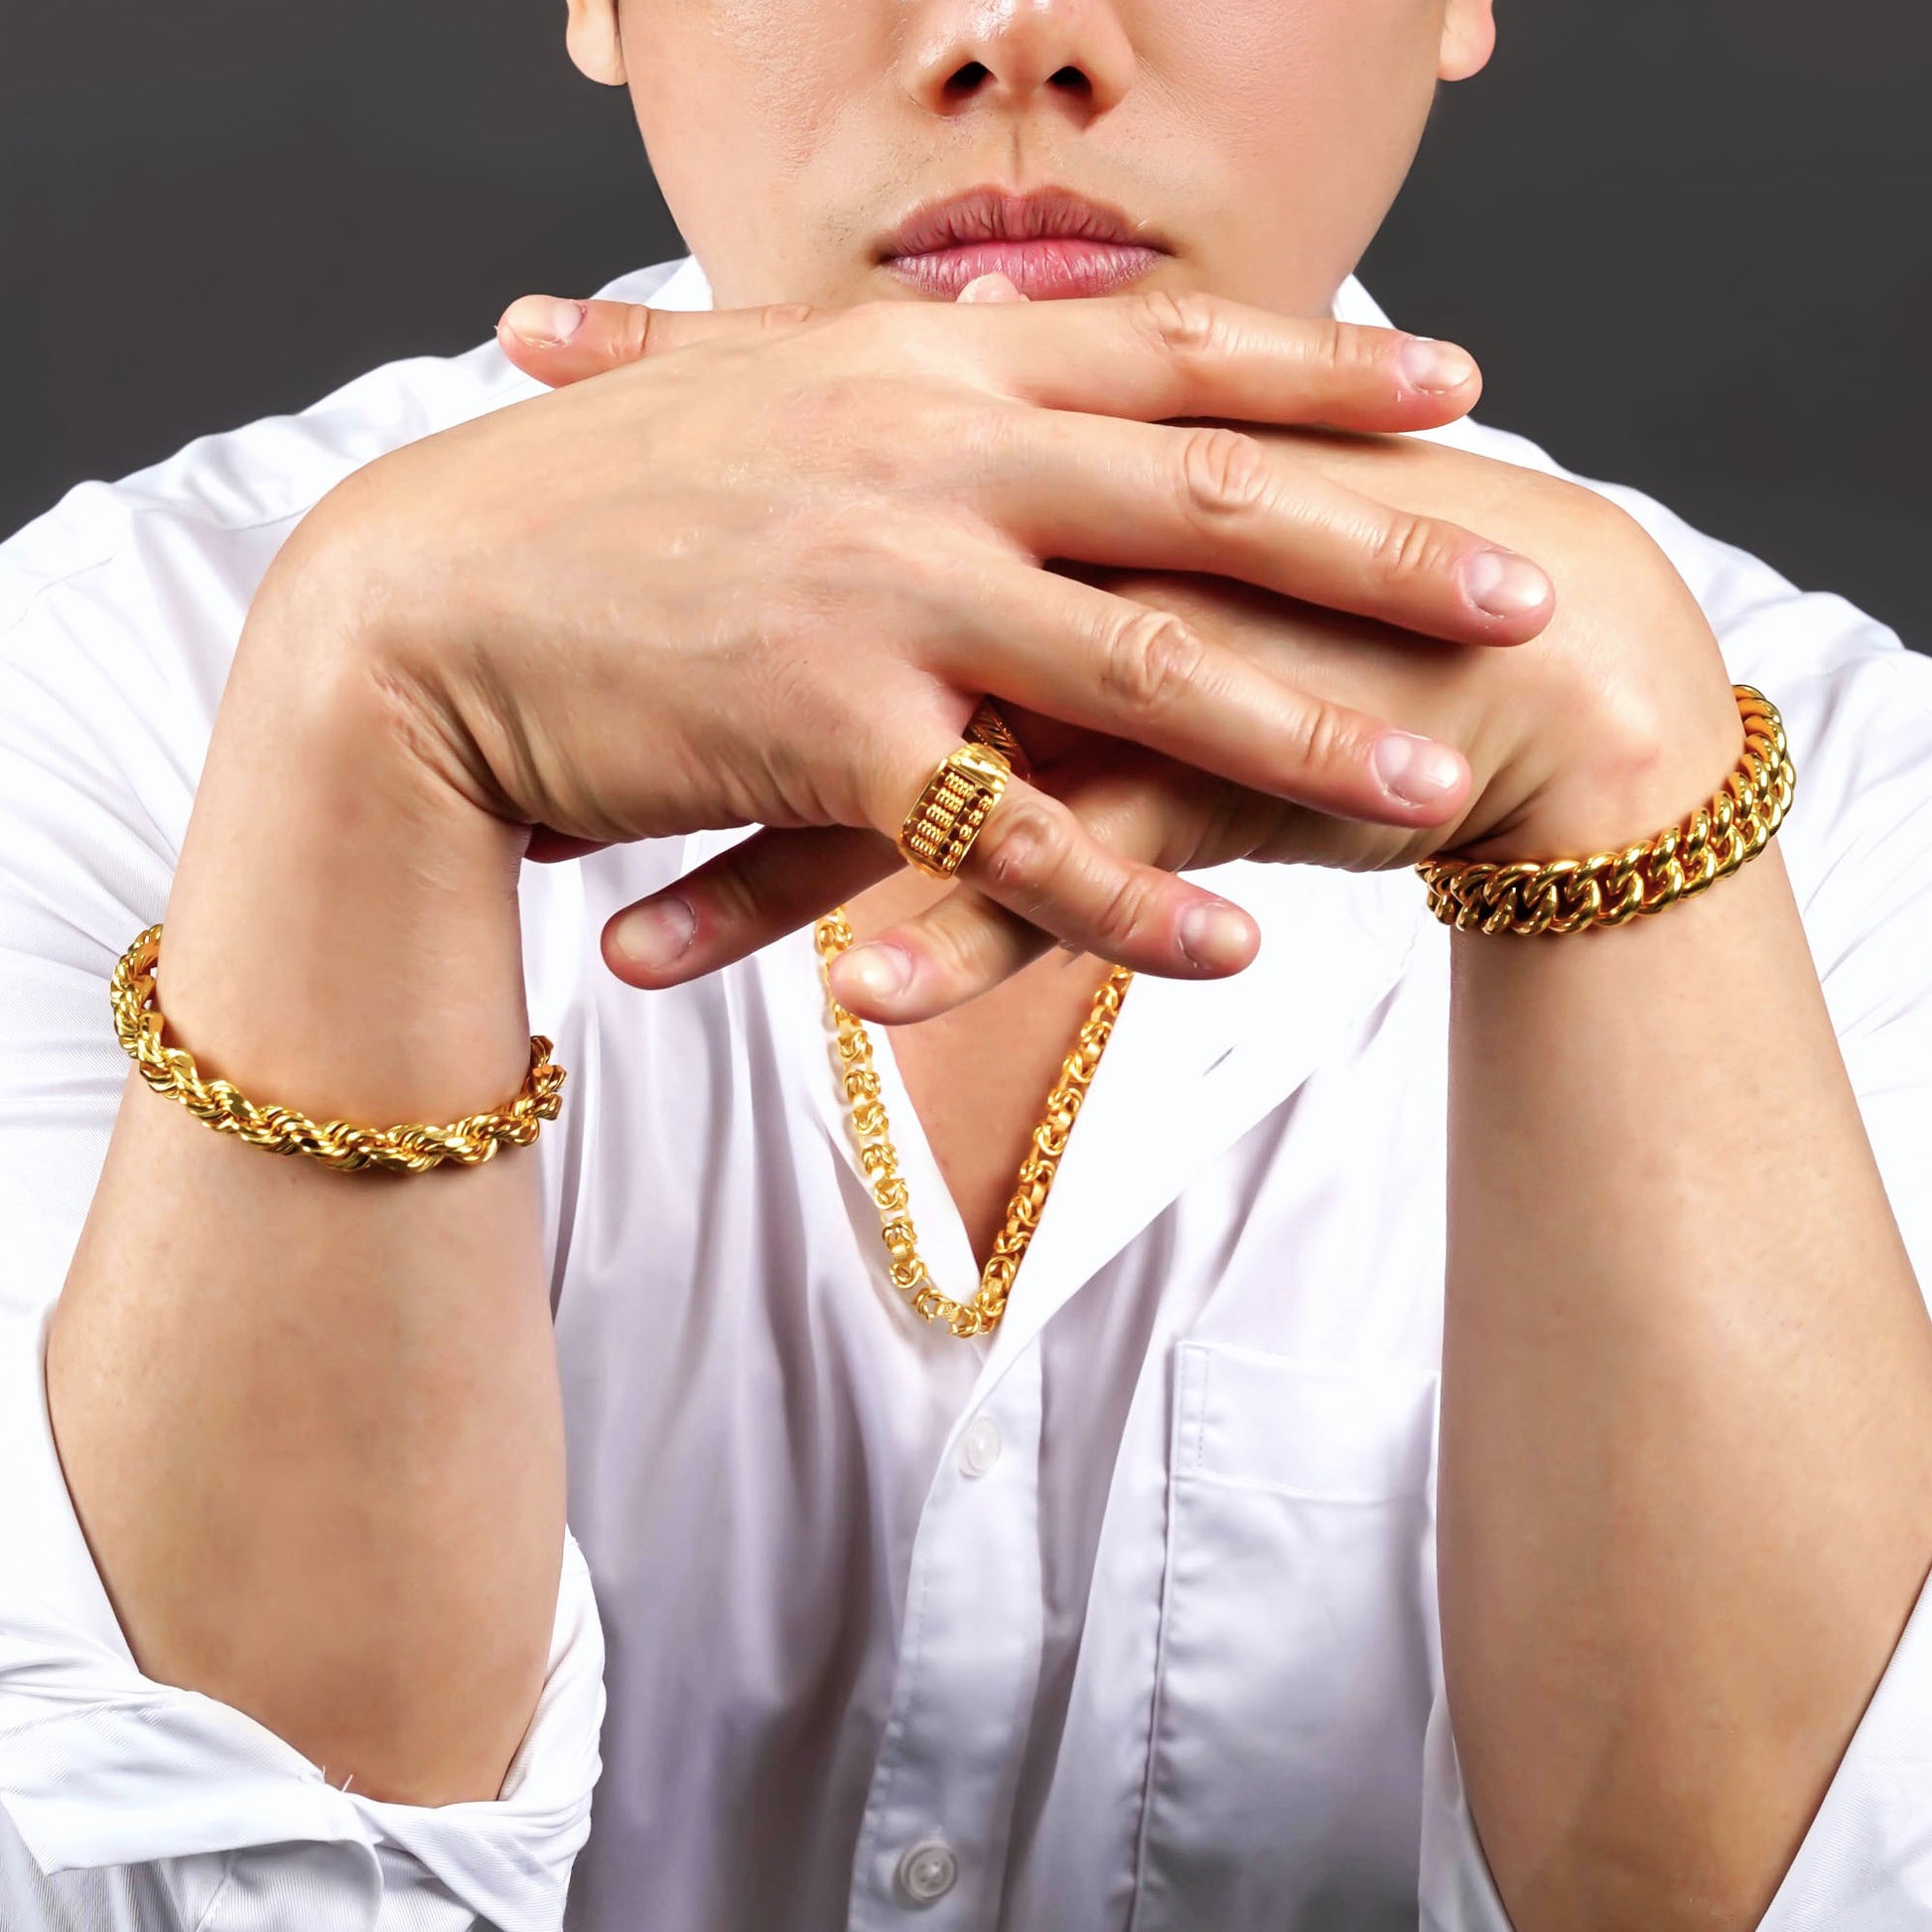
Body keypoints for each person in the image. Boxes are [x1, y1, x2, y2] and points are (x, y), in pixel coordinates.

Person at [2, 0, 1929, 1926]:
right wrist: (373, 737)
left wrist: (1621, 810)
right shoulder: (110, 688)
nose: (1014, 37)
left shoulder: (1835, 797)